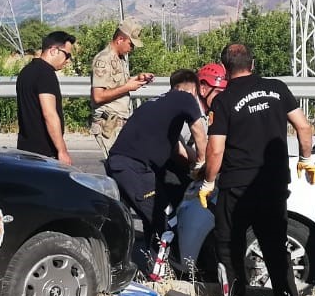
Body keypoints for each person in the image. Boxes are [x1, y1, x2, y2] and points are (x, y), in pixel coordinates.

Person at [199, 42, 313, 296]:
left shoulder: (224, 101)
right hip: (272, 183)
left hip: (237, 185)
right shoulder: (277, 88)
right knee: (274, 245)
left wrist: (208, 181)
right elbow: (304, 126)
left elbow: (215, 149)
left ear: (225, 69)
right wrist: (306, 158)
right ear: (253, 63)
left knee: (228, 244)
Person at [106, 68, 207, 257]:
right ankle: (160, 276)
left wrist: (194, 164)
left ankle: (147, 263)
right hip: (134, 168)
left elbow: (179, 151)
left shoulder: (158, 105)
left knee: (149, 218)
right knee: (166, 219)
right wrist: (204, 164)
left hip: (121, 165)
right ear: (193, 90)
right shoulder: (185, 98)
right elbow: (199, 133)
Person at [90, 23, 155, 156]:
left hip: (119, 122)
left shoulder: (120, 58)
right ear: (120, 39)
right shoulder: (103, 59)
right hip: (108, 123)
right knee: (117, 167)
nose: (132, 48)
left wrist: (138, 79)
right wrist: (127, 87)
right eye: (130, 44)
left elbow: (117, 84)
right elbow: (98, 96)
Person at [15, 31, 76, 163]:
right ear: (54, 50)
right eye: (67, 55)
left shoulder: (26, 72)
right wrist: (62, 151)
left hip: (25, 149)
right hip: (44, 153)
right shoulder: (46, 74)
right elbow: (49, 114)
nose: (68, 60)